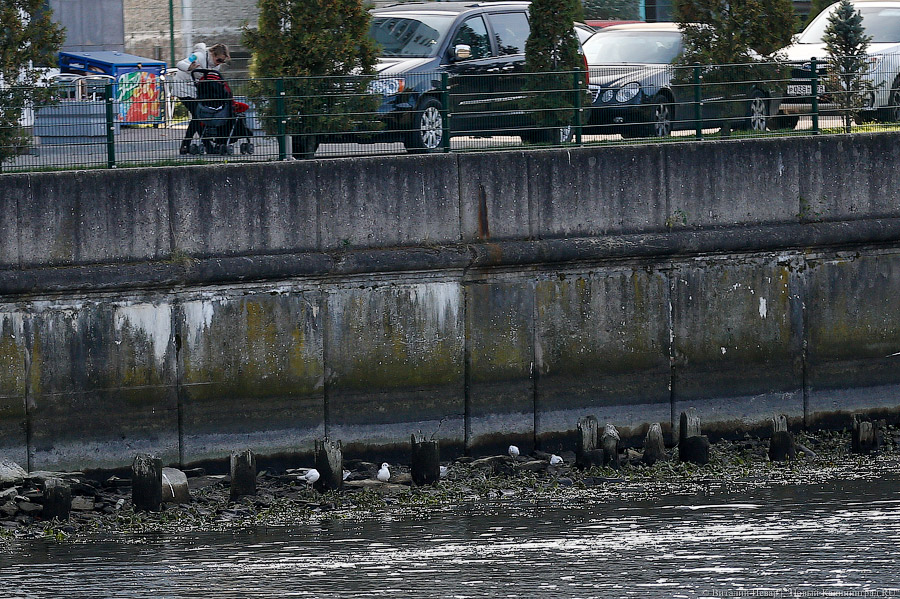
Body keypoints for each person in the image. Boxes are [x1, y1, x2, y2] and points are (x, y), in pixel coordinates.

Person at [174, 42, 231, 154]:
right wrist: (189, 67)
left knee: (198, 116)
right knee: (198, 115)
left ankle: (189, 145)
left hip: (196, 90)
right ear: (213, 54)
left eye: (222, 61)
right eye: (218, 60)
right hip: (183, 87)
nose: (219, 63)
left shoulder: (215, 65)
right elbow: (180, 63)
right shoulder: (198, 56)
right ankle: (203, 145)